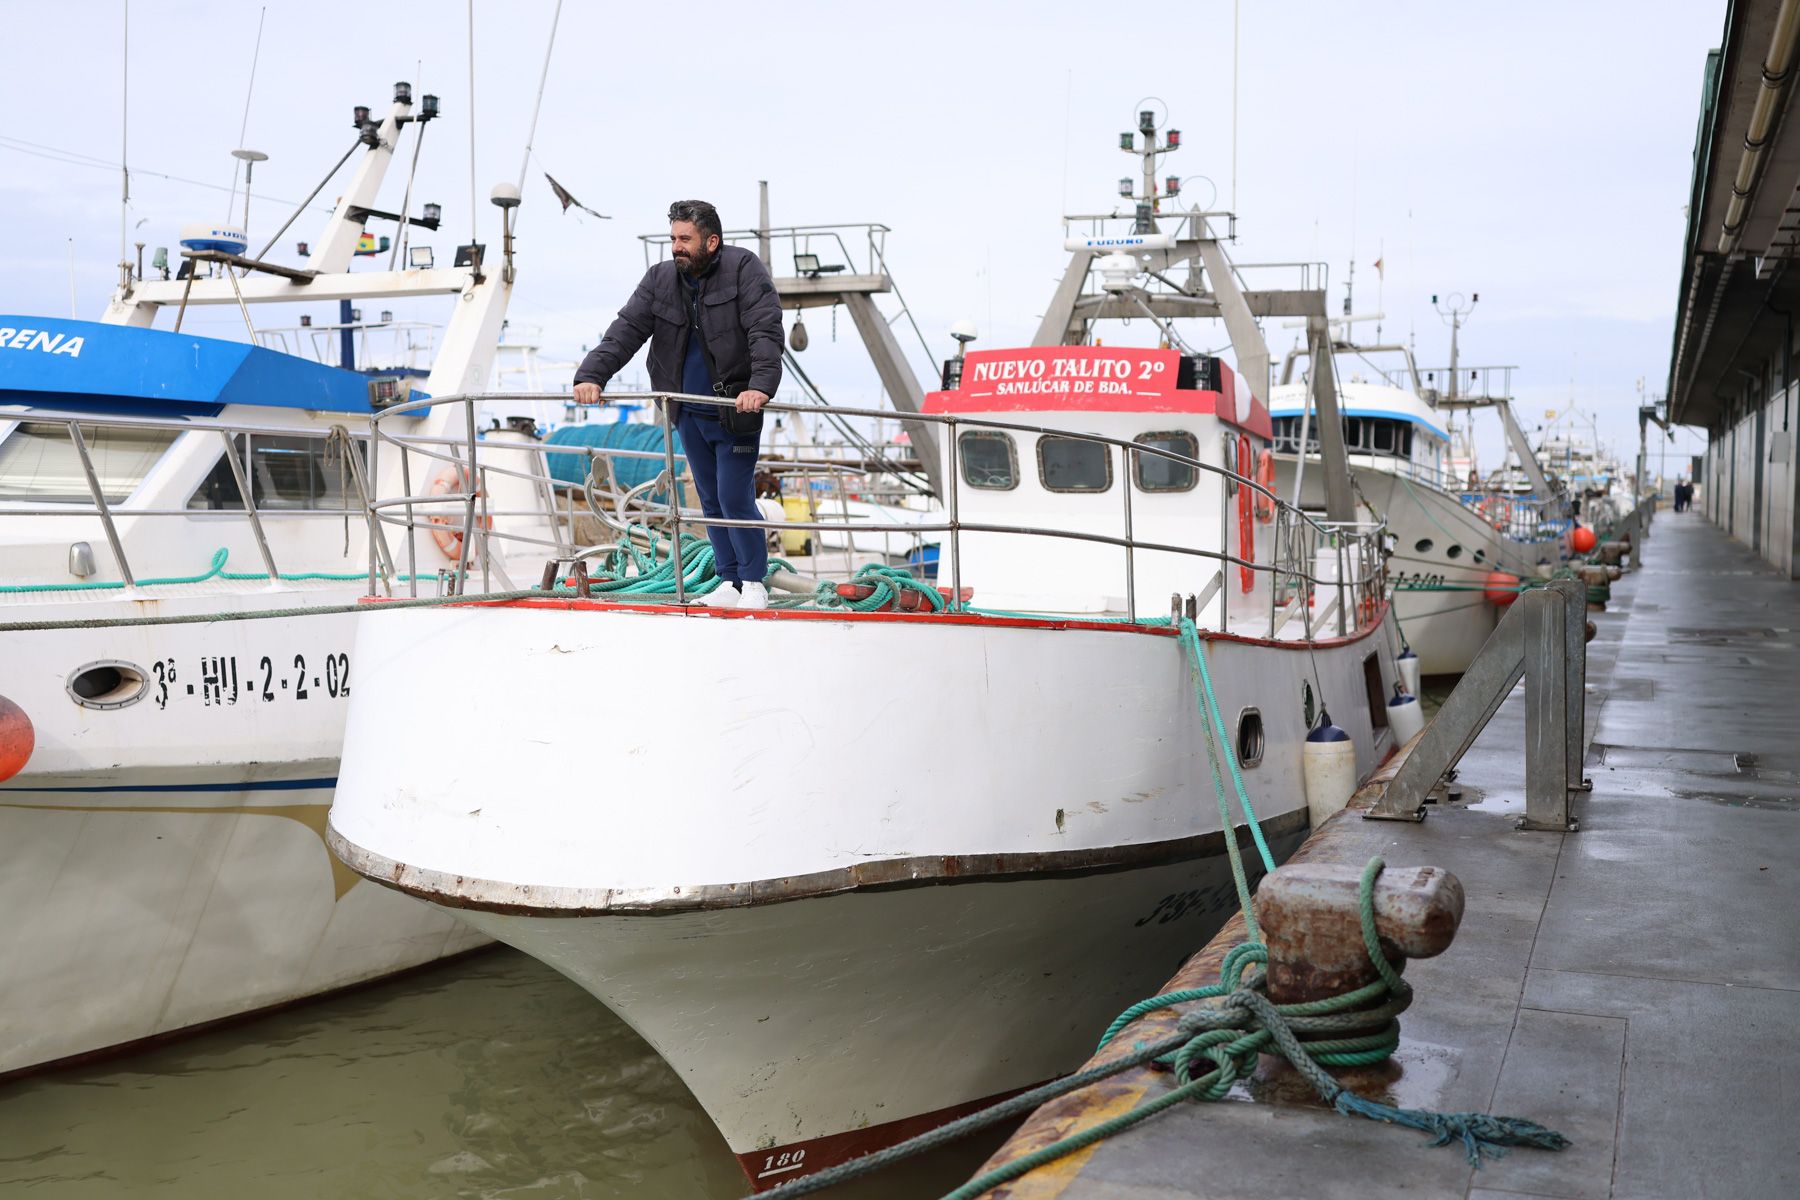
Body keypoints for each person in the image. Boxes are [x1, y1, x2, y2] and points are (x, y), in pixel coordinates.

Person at [573, 200, 784, 609]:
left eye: (685, 239)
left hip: (735, 411)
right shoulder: (660, 280)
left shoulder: (744, 269)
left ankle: (754, 581)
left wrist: (760, 386)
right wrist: (591, 375)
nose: (676, 246)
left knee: (734, 496)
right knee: (708, 497)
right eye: (673, 238)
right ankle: (728, 580)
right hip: (687, 412)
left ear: (712, 241)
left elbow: (765, 329)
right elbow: (626, 329)